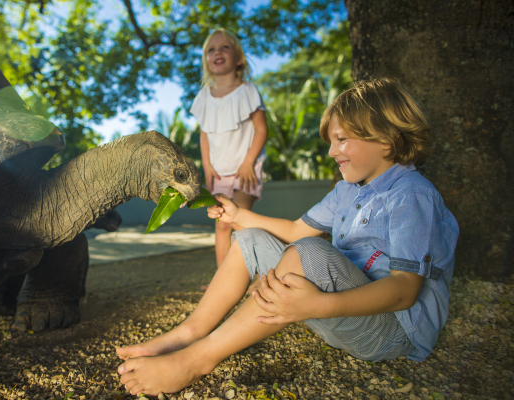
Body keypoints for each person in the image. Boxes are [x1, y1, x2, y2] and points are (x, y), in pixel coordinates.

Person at [115, 78, 459, 397]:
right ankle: (188, 333)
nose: (331, 152)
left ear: (386, 140)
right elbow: (296, 230)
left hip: (390, 332)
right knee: (249, 238)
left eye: (342, 139)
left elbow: (404, 290)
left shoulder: (411, 195)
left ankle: (197, 360)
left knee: (309, 252)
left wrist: (320, 305)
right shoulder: (346, 191)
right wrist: (238, 215)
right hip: (329, 312)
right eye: (331, 141)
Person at [189, 28, 268, 275]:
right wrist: (207, 167)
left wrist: (248, 163)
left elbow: (261, 130)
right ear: (206, 62)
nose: (217, 52)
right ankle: (221, 280)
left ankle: (260, 276)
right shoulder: (203, 96)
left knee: (240, 222)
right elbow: (204, 135)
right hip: (218, 171)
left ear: (239, 59)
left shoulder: (248, 91)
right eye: (211, 50)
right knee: (222, 225)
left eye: (225, 47)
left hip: (245, 169)